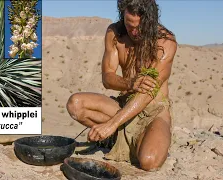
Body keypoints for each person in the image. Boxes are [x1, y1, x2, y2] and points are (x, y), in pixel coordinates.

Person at [66, 0, 177, 171]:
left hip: (153, 111)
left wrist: (111, 124)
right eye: (128, 24)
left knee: (149, 161)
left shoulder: (165, 42)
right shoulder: (115, 33)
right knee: (75, 104)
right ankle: (116, 137)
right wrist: (130, 83)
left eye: (139, 27)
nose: (133, 31)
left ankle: (147, 136)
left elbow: (147, 94)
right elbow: (107, 78)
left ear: (150, 21)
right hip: (124, 103)